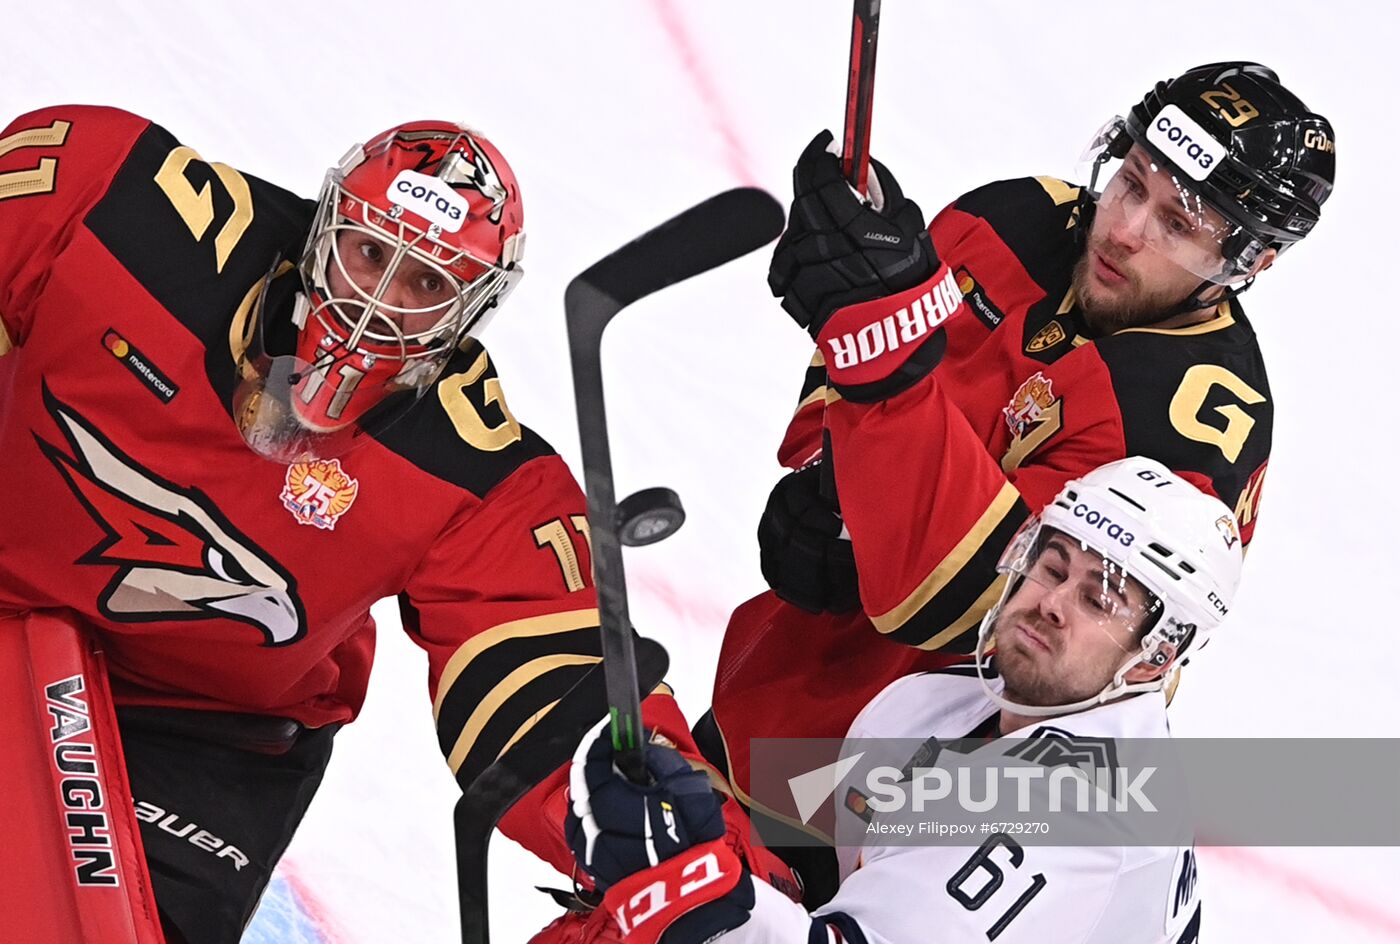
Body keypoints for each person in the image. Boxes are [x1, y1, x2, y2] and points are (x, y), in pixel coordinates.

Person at [0, 105, 662, 944]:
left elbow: (554, 685)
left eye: (428, 284)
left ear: (469, 313)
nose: (379, 302)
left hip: (205, 730)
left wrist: (664, 837)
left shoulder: (479, 473)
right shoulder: (117, 207)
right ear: (326, 226)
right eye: (372, 253)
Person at [686, 60, 1334, 902]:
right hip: (780, 695)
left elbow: (971, 604)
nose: (1126, 229)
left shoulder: (1186, 427)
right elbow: (851, 367)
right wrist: (827, 473)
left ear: (1253, 257)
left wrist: (879, 374)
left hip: (930, 801)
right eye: (1131, 181)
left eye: (1178, 222)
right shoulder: (1011, 219)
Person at [565, 456, 1237, 944]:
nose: (1053, 603)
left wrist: (695, 884)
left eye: (1099, 599)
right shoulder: (929, 704)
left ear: (1156, 656)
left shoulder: (1078, 817)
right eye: (1053, 567)